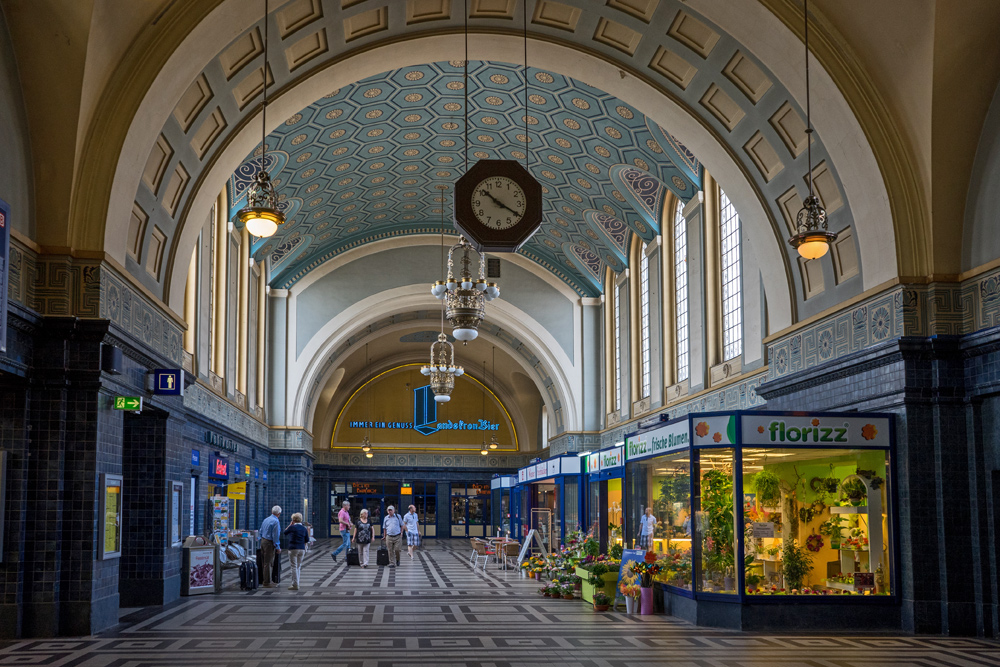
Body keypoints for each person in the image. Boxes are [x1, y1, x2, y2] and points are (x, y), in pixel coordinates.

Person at [283, 512, 309, 591]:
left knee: (293, 567)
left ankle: (295, 584)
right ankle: (297, 582)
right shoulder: (304, 529)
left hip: (293, 548)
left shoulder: (292, 527)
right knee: (298, 566)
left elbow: (285, 532)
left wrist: (290, 525)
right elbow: (307, 540)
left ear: (293, 520)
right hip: (301, 548)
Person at [258, 505, 282, 588]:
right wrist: (278, 547)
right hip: (269, 543)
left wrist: (260, 539)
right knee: (268, 562)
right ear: (279, 514)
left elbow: (260, 531)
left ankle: (265, 579)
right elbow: (275, 535)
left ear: (272, 512)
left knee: (264, 562)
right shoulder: (275, 522)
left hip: (263, 541)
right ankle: (267, 582)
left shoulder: (266, 519)